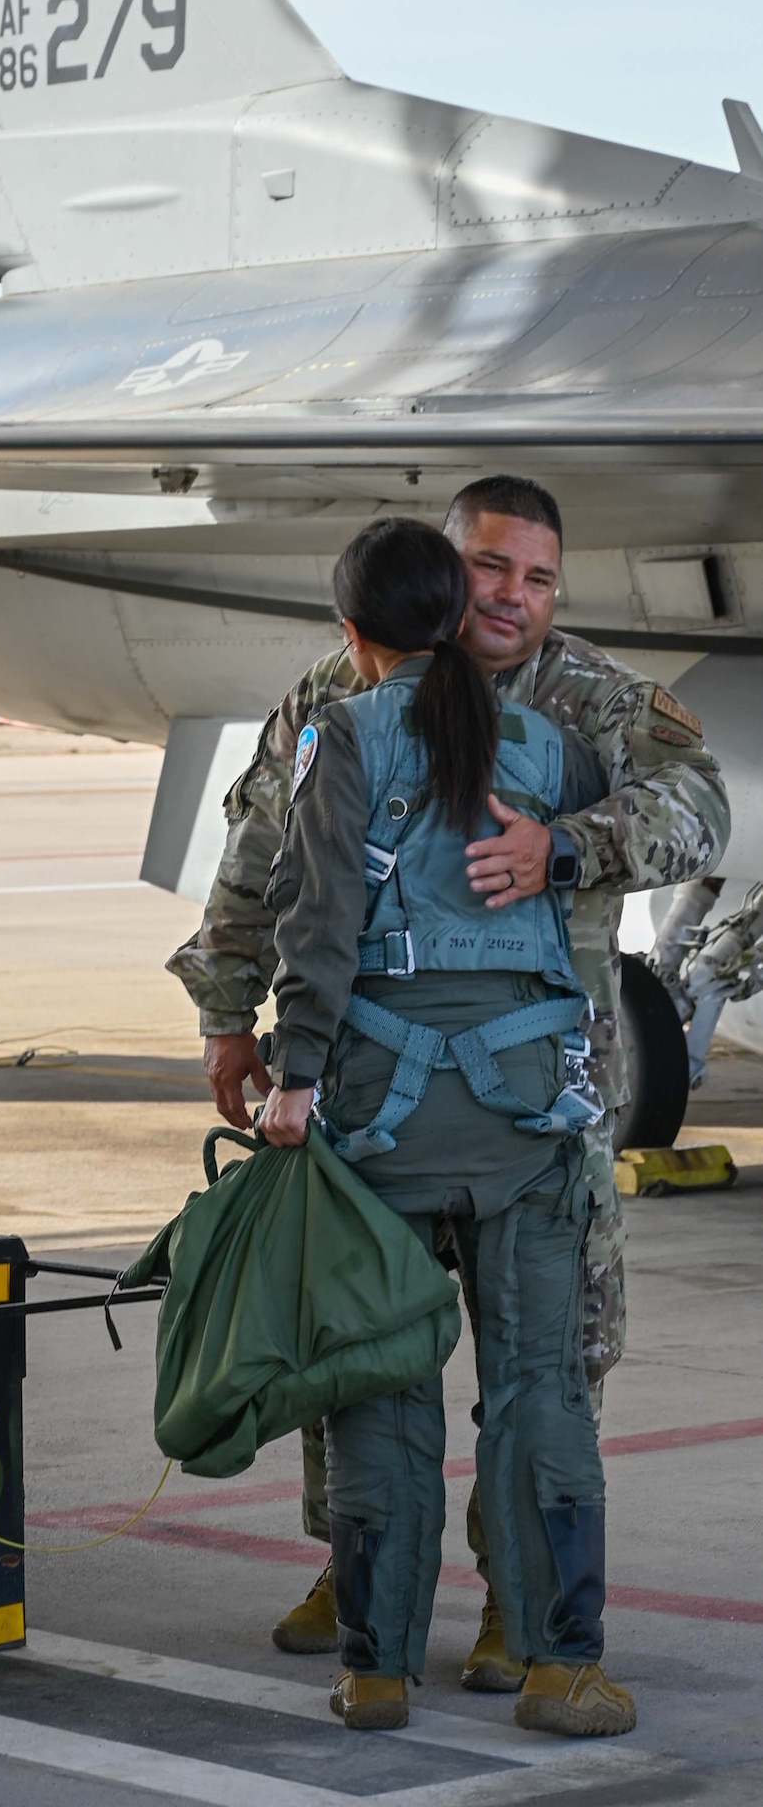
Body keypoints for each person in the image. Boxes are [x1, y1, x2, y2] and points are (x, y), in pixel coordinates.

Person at [168, 475, 729, 1690]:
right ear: (443, 562)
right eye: (489, 568)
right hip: (400, 1077)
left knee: (553, 1361)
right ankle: (369, 1573)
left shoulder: (587, 699)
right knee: (359, 1340)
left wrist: (568, 843)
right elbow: (260, 859)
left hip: (545, 1093)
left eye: (536, 577)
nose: (511, 598)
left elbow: (700, 811)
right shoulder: (335, 695)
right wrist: (225, 1016)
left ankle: (502, 1600)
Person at [261, 516, 632, 1735]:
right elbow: (622, 814)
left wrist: (291, 1081)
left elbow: (315, 925)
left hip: (380, 1114)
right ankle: (552, 1663)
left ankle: (374, 1668)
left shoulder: (342, 734)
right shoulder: (541, 741)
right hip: (528, 1114)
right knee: (538, 1388)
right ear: (454, 617)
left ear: (351, 632)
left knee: (381, 1387)